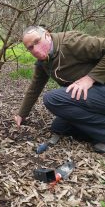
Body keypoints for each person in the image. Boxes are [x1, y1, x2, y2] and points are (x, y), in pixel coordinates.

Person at [14, 25, 105, 153]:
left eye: (37, 41)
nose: (35, 48)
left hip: (101, 87)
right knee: (59, 127)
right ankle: (98, 134)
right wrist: (21, 114)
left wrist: (90, 78)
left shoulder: (70, 42)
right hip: (89, 97)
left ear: (47, 34)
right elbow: (35, 87)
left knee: (52, 99)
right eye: (30, 47)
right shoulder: (44, 62)